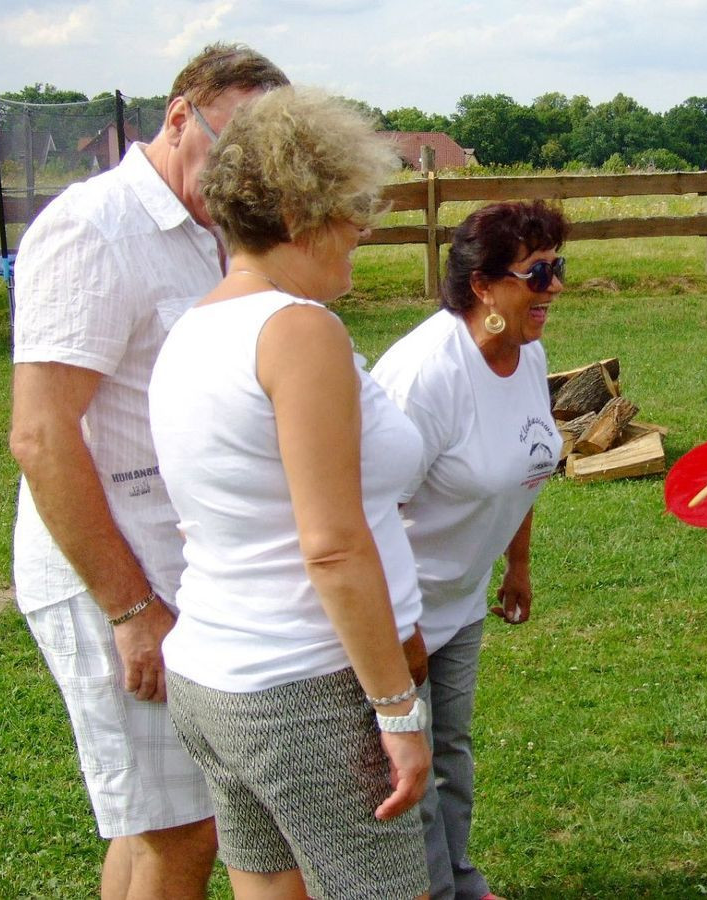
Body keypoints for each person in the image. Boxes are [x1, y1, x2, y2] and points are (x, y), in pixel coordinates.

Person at [8, 43, 287, 899]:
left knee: (160, 823)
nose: (245, 170)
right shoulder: (94, 227)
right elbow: (41, 434)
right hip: (114, 573)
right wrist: (130, 609)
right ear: (178, 116)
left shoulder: (213, 233)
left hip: (179, 566)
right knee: (186, 827)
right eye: (231, 141)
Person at [147, 86, 431, 899]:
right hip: (306, 687)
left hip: (213, 679)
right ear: (310, 209)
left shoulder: (194, 328)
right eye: (353, 210)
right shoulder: (297, 330)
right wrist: (399, 711)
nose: (362, 231)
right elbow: (333, 546)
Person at [370, 200, 566, 900]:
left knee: (452, 751)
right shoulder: (426, 376)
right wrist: (400, 625)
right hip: (402, 610)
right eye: (537, 273)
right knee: (409, 766)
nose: (554, 288)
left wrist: (517, 565)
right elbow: (371, 512)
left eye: (557, 268)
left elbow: (526, 461)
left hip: (462, 597)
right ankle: (429, 891)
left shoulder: (528, 351)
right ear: (483, 285)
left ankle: (457, 876)